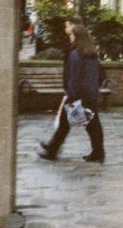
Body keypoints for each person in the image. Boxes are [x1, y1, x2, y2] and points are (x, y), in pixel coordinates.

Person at [37, 23, 105, 163]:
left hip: (78, 96)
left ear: (77, 37)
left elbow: (74, 78)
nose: (71, 38)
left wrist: (71, 97)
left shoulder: (76, 54)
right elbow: (100, 76)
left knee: (67, 124)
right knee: (92, 125)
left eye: (72, 35)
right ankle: (97, 152)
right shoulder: (92, 55)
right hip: (91, 95)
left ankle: (52, 151)